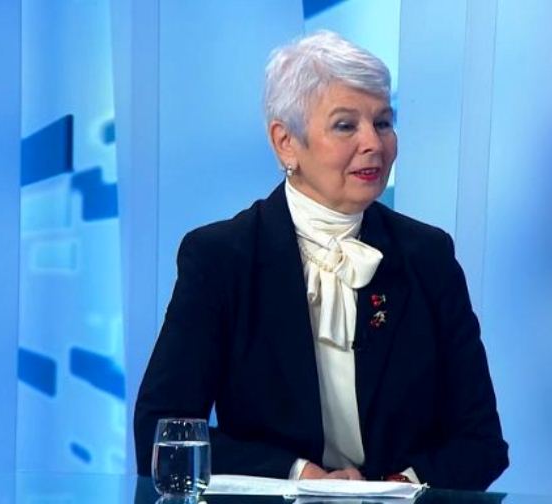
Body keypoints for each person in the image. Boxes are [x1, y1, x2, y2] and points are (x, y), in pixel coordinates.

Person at [134, 30, 508, 491]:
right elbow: (162, 435)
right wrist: (302, 477)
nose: (374, 144)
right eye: (346, 126)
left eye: (383, 123)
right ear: (286, 142)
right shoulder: (221, 257)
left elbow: (481, 442)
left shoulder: (427, 255)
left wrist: (390, 489)